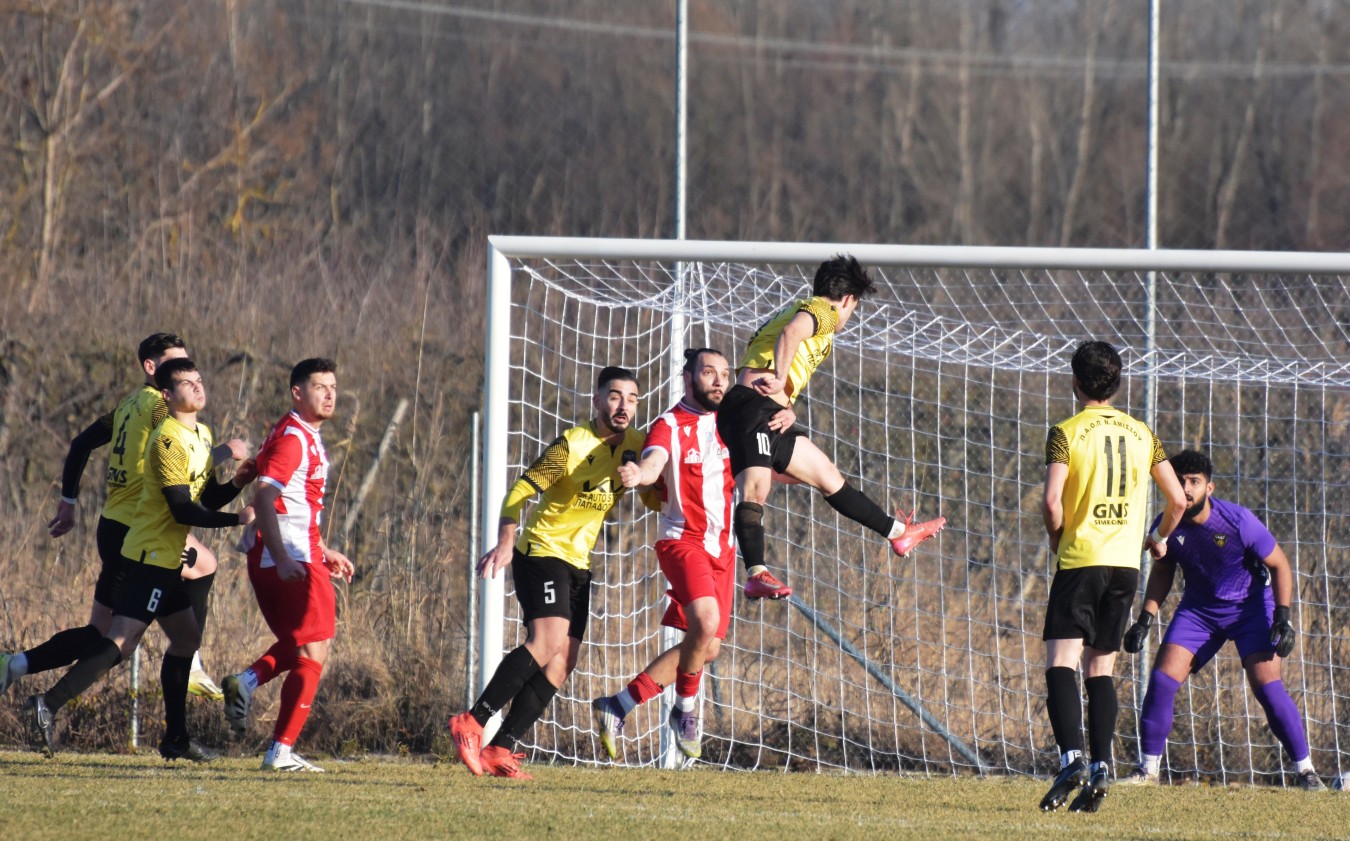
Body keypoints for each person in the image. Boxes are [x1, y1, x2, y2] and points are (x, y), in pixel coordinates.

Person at [24, 357, 256, 761]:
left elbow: (206, 497)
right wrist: (237, 520)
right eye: (187, 383)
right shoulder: (166, 440)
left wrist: (237, 482)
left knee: (186, 640)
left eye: (199, 380)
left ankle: (176, 739)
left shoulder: (202, 434)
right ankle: (48, 703)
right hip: (148, 555)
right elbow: (182, 510)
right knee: (122, 639)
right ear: (167, 394)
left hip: (167, 559)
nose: (197, 387)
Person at [449, 366, 646, 780]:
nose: (623, 406)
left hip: (579, 563)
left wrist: (649, 481)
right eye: (614, 396)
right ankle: (472, 720)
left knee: (562, 662)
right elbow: (520, 490)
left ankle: (500, 749)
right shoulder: (573, 444)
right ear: (597, 400)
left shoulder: (636, 446)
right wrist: (506, 540)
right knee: (547, 641)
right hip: (541, 551)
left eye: (631, 399)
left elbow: (657, 489)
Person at [715, 255, 945, 600]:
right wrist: (780, 378)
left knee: (827, 476)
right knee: (756, 489)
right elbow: (791, 334)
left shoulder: (803, 312)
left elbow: (779, 351)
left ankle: (898, 532)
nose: (849, 318)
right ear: (848, 299)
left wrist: (786, 405)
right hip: (750, 407)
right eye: (854, 308)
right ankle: (756, 574)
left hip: (766, 411)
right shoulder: (823, 310)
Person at [1119, 450, 1326, 790]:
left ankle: (1306, 772)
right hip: (1199, 611)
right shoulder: (1165, 525)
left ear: (1209, 488)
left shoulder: (1238, 521)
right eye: (1179, 482)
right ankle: (1148, 771)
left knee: (1268, 687)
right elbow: (1163, 571)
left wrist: (1283, 616)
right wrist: (1145, 619)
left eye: (1194, 482)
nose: (1186, 489)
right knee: (1161, 681)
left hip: (1250, 608)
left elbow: (1280, 565)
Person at [1038, 339, 1187, 812]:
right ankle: (1102, 766)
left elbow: (1051, 502)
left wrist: (1057, 539)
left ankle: (1071, 760)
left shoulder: (1066, 432)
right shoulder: (1143, 434)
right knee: (1100, 668)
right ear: (1118, 384)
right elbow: (1178, 500)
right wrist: (1156, 537)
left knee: (1061, 661)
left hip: (1081, 558)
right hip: (1125, 566)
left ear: (1075, 382)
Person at [592, 349, 736, 761]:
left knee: (706, 646)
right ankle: (684, 710)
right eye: (709, 373)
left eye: (725, 374)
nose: (719, 381)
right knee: (704, 622)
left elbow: (769, 461)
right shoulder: (668, 425)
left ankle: (618, 704)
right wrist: (641, 474)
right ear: (688, 379)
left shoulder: (731, 421)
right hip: (682, 540)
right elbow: (654, 463)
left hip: (723, 549)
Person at [221, 358, 354, 772]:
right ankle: (279, 751)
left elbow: (296, 503)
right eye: (320, 387)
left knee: (307, 642)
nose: (329, 394)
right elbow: (264, 497)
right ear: (297, 392)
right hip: (287, 554)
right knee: (314, 648)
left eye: (333, 387)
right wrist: (281, 557)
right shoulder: (294, 438)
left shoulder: (297, 431)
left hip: (299, 550)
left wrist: (324, 549)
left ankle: (247, 683)